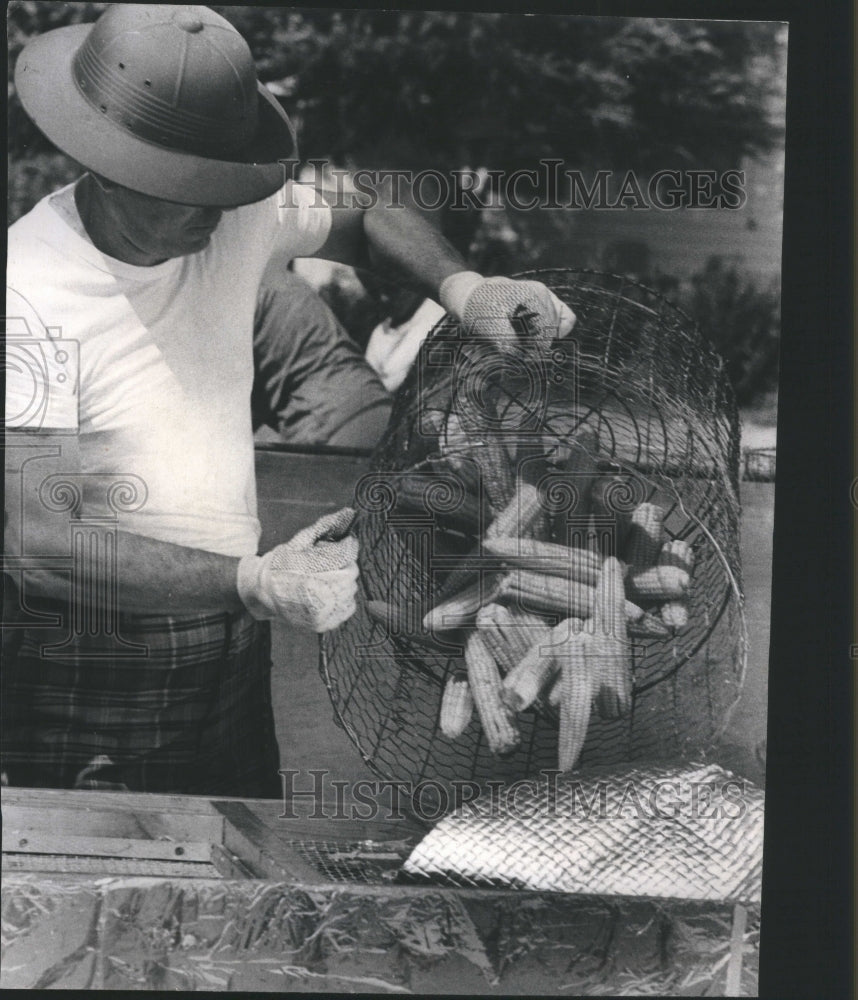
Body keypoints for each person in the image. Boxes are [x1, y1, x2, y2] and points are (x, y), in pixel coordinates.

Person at [3, 4, 576, 796]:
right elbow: (40, 543)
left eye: (225, 182)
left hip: (231, 648)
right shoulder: (29, 290)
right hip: (97, 655)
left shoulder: (232, 215)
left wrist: (467, 288)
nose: (216, 207)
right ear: (108, 167)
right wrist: (254, 579)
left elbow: (370, 207)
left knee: (241, 863)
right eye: (188, 188)